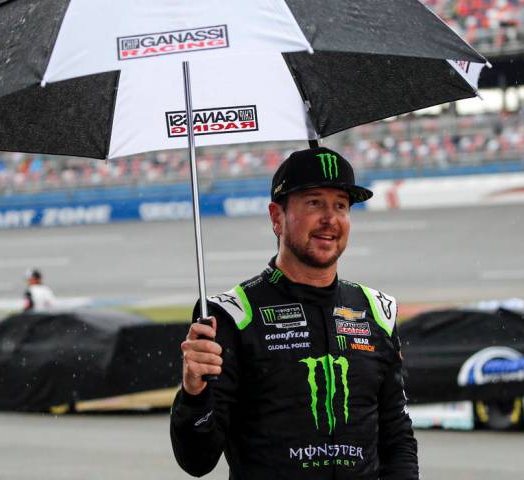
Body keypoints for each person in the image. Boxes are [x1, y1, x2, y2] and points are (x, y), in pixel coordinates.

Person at [170, 147, 419, 479]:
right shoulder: (231, 314)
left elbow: (397, 436)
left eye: (341, 205)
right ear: (277, 217)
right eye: (314, 203)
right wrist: (194, 394)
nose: (330, 219)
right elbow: (196, 460)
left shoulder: (377, 310)